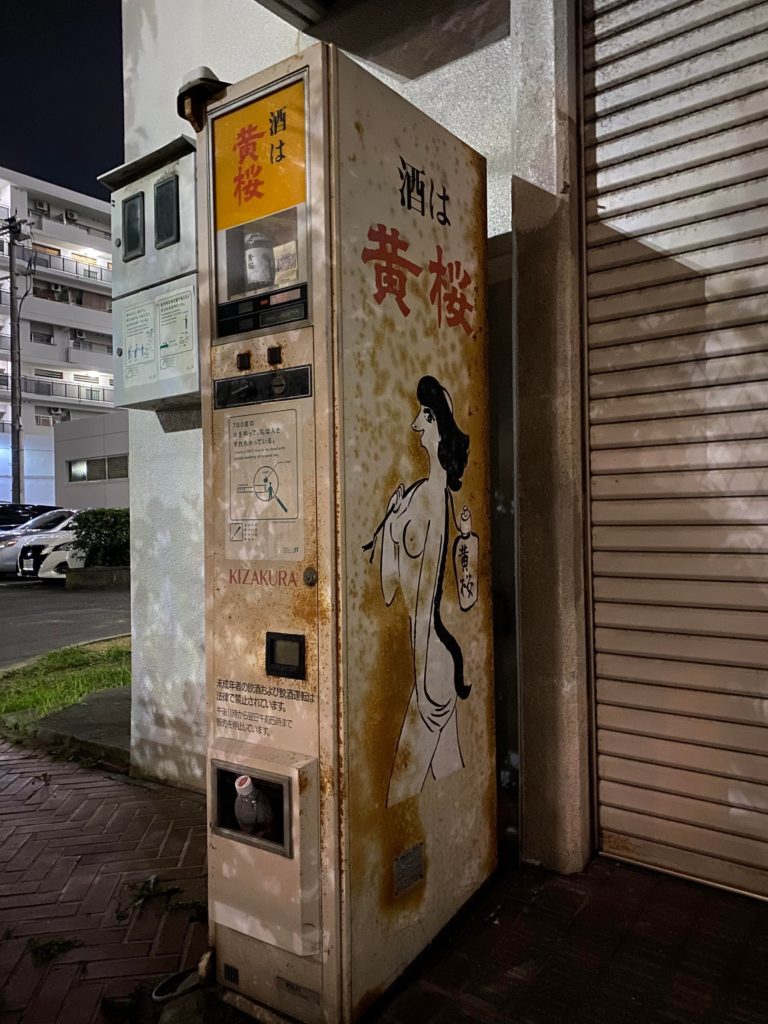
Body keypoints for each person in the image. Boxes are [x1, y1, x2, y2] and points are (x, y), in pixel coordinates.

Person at [365, 375, 472, 806]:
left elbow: (414, 594)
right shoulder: (419, 497)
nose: (414, 425)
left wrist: (423, 675)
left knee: (397, 793)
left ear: (436, 422)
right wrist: (391, 525)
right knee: (449, 772)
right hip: (435, 662)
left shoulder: (428, 499)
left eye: (423, 417)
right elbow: (393, 590)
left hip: (431, 663)